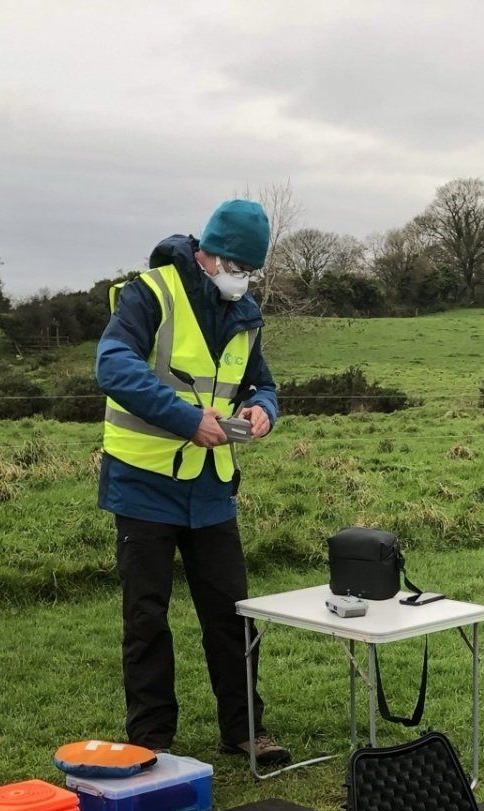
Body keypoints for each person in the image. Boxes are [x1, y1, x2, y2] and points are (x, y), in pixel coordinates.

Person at [94, 199, 288, 767]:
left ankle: (245, 729)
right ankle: (151, 740)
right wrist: (186, 419)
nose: (243, 280)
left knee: (233, 615)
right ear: (211, 254)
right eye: (237, 267)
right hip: (143, 483)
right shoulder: (149, 293)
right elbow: (112, 365)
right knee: (146, 618)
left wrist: (264, 411)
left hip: (211, 490)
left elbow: (262, 385)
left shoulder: (246, 314)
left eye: (251, 271)